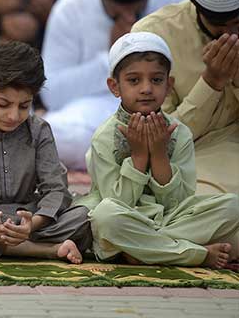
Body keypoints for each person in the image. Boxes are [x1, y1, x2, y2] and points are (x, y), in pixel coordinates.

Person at [76, 32, 239, 269]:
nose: (146, 89)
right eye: (134, 80)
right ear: (114, 86)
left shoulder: (179, 132)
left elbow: (179, 202)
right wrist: (140, 157)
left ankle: (142, 249)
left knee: (232, 206)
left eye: (156, 80)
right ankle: (194, 254)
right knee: (105, 217)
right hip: (124, 218)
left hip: (168, 219)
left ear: (169, 84)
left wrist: (160, 154)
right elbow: (118, 201)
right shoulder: (105, 136)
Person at [0, 42, 91, 262]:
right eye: (3, 104)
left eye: (24, 106)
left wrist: (32, 224)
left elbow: (56, 190)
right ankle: (49, 250)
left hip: (29, 216)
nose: (13, 116)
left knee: (84, 218)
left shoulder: (39, 130)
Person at [40, 0, 185, 171]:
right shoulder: (70, 7)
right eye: (118, 11)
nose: (128, 17)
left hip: (163, 106)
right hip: (95, 109)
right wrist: (110, 57)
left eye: (136, 10)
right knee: (48, 135)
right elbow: (51, 93)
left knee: (187, 134)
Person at [132, 0, 239, 194]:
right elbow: (159, 138)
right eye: (224, 27)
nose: (232, 35)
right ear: (198, 8)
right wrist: (211, 83)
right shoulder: (153, 36)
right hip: (189, 154)